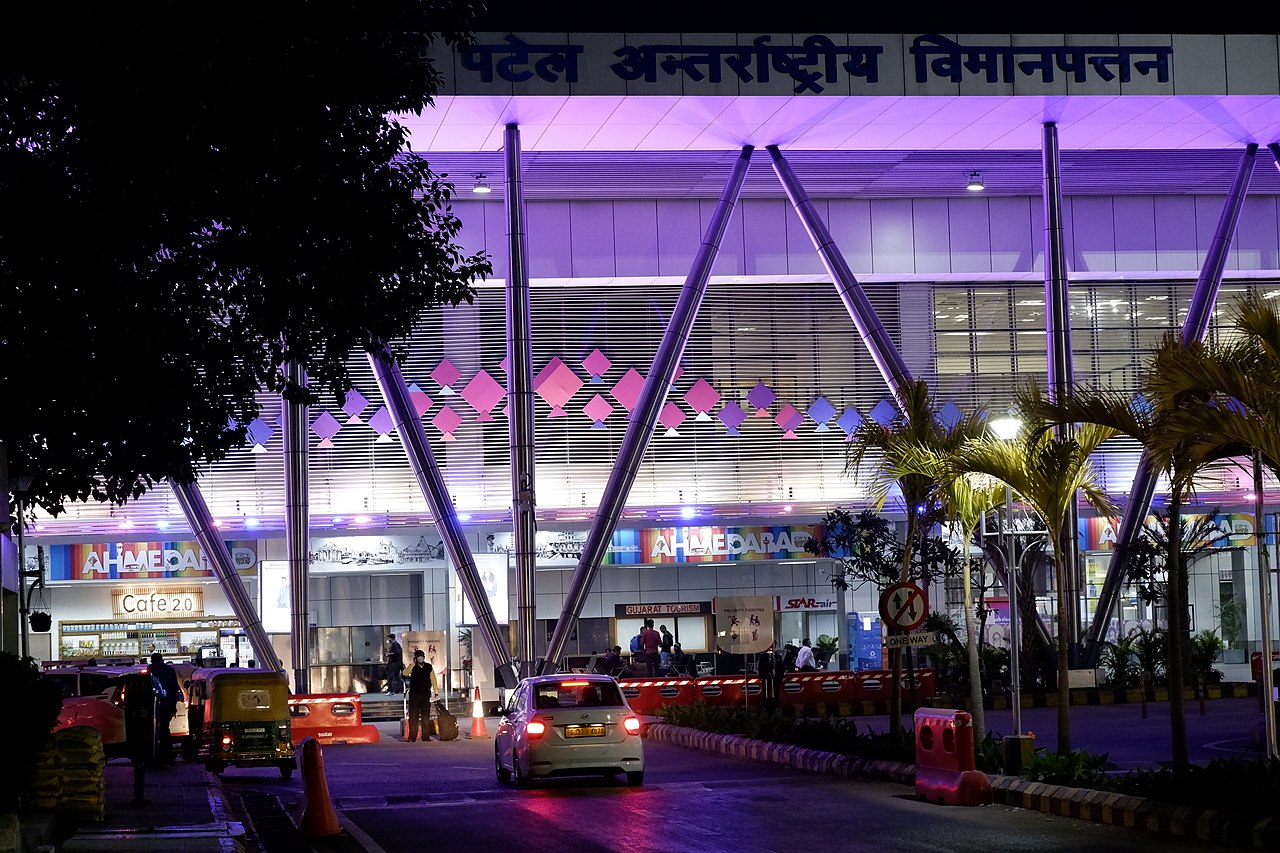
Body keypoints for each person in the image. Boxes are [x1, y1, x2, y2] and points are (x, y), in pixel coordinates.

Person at [149, 652, 180, 767]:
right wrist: (174, 705)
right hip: (167, 705)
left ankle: (160, 754)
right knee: (165, 729)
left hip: (153, 705)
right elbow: (174, 688)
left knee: (157, 731)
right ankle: (168, 754)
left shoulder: (150, 670)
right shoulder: (169, 670)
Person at [405, 649, 434, 742]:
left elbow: (433, 679)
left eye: (421, 656)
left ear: (424, 657)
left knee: (425, 716)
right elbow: (405, 673)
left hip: (425, 694)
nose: (420, 658)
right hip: (414, 695)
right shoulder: (412, 666)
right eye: (418, 657)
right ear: (415, 658)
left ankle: (426, 736)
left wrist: (436, 691)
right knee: (413, 716)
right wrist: (413, 664)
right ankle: (412, 736)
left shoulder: (429, 667)